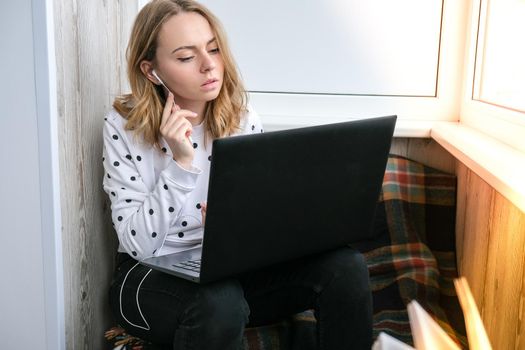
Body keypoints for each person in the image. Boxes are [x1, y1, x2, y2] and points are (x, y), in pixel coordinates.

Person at [103, 0, 373, 349]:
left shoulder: (242, 119)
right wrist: (182, 164)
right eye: (186, 57)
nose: (209, 65)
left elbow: (262, 222)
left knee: (346, 267)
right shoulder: (124, 126)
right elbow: (137, 244)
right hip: (150, 276)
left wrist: (247, 226)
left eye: (213, 48)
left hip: (231, 271)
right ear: (150, 70)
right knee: (220, 301)